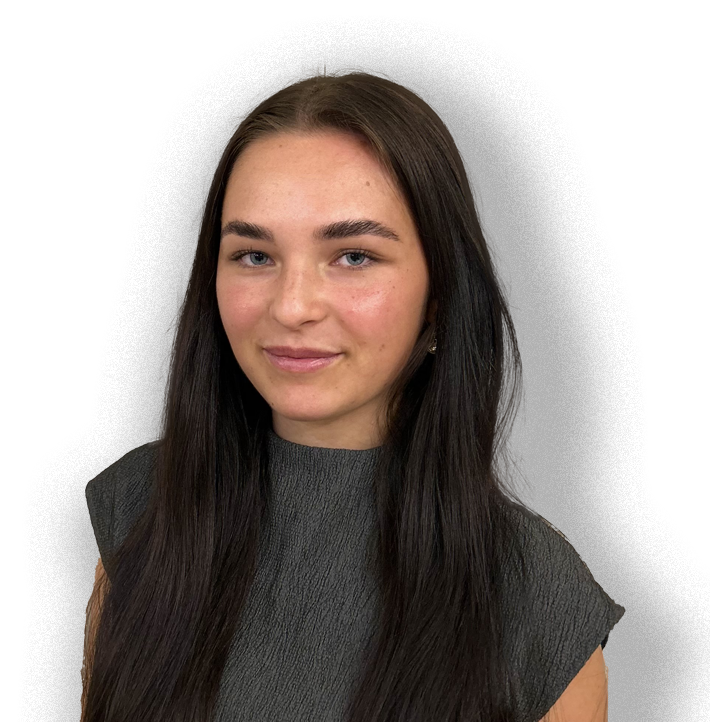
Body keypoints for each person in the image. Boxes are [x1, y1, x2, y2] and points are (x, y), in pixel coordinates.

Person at [81, 62, 624, 722]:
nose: (293, 306)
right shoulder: (139, 509)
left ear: (440, 293)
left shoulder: (535, 590)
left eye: (354, 256)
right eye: (255, 255)